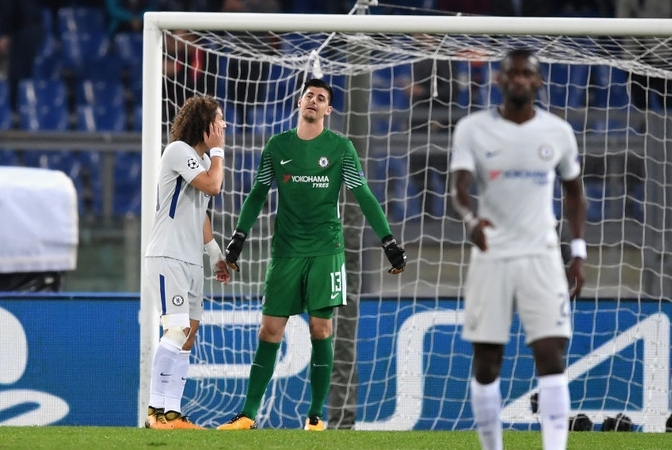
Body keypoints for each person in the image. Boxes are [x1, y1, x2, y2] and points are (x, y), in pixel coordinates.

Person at [217, 78, 407, 431]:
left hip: (325, 250)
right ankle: (247, 415)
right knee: (269, 331)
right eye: (309, 95)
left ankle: (316, 416)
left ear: (327, 110)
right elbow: (258, 193)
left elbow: (363, 194)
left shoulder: (340, 147)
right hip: (286, 252)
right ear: (299, 102)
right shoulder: (277, 146)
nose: (314, 101)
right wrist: (239, 237)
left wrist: (388, 241)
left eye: (321, 98)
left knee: (321, 329)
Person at [449, 49, 587, 450]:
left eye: (528, 74)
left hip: (542, 255)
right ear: (500, 80)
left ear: (538, 81)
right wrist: (470, 220)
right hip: (491, 254)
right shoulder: (472, 129)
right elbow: (459, 188)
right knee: (487, 361)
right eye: (513, 73)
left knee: (551, 353)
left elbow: (574, 193)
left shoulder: (557, 131)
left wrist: (577, 252)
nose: (520, 80)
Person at [143, 95, 231, 430]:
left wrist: (215, 255)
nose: (223, 126)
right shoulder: (178, 150)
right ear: (204, 124)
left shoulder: (202, 159)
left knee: (188, 336)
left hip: (192, 260)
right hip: (168, 255)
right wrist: (219, 153)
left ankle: (172, 413)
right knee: (177, 329)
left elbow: (201, 212)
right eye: (219, 120)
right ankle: (154, 410)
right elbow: (213, 186)